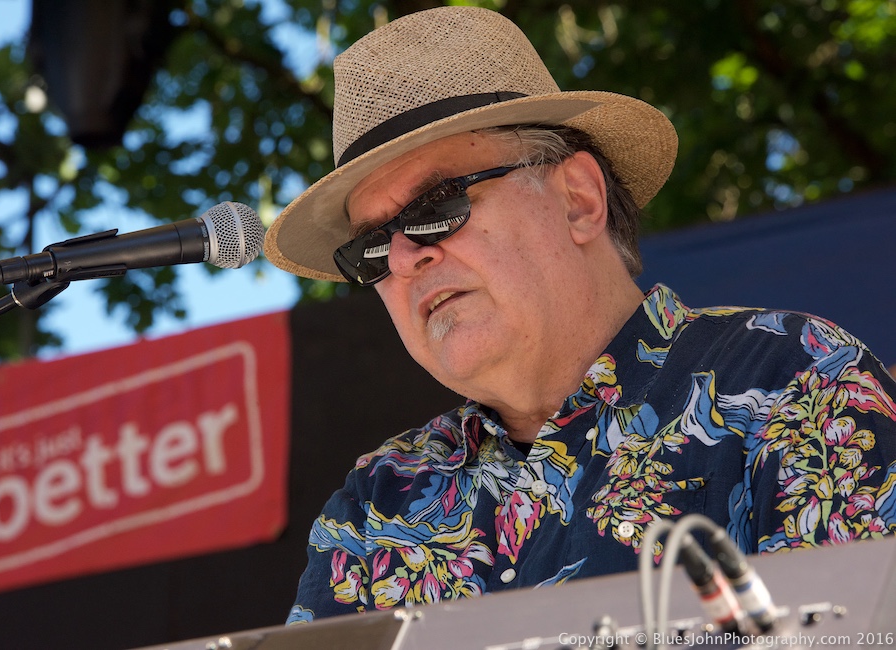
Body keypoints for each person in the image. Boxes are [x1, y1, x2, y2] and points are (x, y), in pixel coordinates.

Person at [262, 6, 896, 624]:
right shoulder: (378, 504)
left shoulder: (792, 380)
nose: (402, 259)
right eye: (371, 245)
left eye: (435, 205)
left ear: (578, 200)